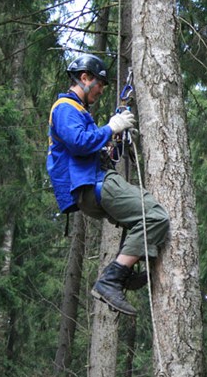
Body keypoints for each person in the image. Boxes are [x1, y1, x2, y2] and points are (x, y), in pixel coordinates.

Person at [47, 54, 170, 316]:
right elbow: (79, 143)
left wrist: (117, 134)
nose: (101, 90)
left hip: (91, 185)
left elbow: (100, 149)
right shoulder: (65, 108)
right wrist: (110, 127)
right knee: (155, 216)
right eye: (99, 83)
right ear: (84, 78)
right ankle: (112, 279)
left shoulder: (79, 112)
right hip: (94, 182)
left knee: (138, 216)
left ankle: (124, 273)